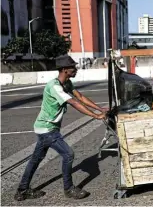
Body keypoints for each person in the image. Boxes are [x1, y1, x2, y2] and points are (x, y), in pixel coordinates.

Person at [14, 55, 107, 201]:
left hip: (45, 127)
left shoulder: (67, 83)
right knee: (68, 154)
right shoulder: (55, 87)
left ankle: (22, 190)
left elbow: (80, 97)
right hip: (47, 129)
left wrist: (100, 109)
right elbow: (74, 102)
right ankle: (69, 189)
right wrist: (95, 116)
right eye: (73, 68)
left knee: (35, 159)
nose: (75, 69)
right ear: (64, 70)